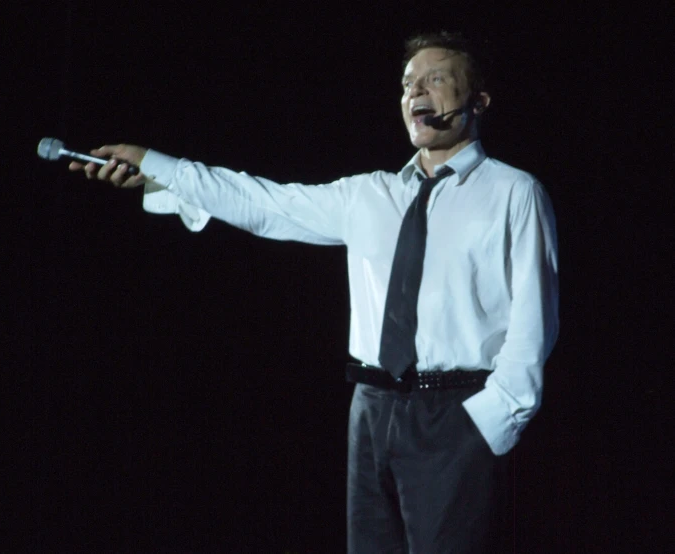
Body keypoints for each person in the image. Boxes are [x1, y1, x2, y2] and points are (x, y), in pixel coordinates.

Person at [71, 31, 558, 554]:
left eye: (435, 79)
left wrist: (486, 426)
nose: (416, 92)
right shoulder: (369, 194)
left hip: (454, 414)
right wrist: (158, 171)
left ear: (478, 99)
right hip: (370, 409)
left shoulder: (514, 193)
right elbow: (263, 204)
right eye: (407, 83)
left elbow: (534, 324)